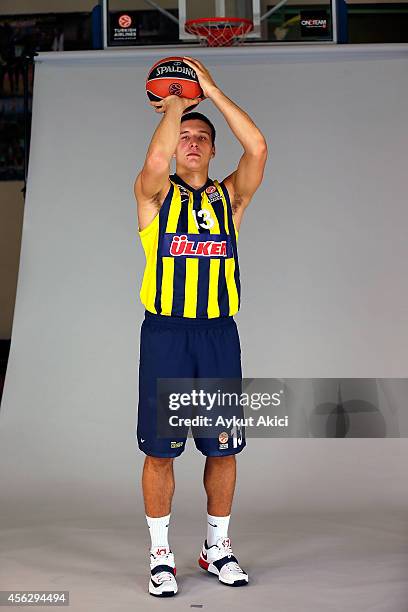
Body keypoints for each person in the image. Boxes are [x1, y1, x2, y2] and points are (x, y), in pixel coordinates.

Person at [133, 57, 267, 597]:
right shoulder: (154, 195)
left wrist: (209, 88)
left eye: (200, 137)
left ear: (213, 150)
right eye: (183, 134)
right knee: (161, 450)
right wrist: (176, 104)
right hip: (166, 333)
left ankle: (217, 548)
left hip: (217, 335)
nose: (189, 142)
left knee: (222, 447)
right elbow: (157, 157)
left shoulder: (228, 199)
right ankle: (160, 555)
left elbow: (256, 148)